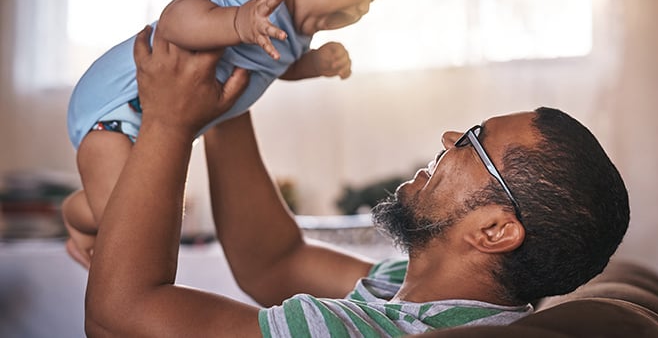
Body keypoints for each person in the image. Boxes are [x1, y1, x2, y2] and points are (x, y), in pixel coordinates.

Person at [85, 27, 630, 337]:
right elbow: (274, 261)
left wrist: (167, 120)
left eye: (473, 141)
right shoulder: (429, 299)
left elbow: (117, 314)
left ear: (493, 230)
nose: (447, 139)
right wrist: (228, 99)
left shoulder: (369, 333)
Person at [62, 0, 405, 267]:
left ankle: (89, 211)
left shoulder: (297, 36)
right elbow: (174, 20)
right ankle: (76, 213)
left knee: (151, 220)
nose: (364, 8)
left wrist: (314, 65)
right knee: (128, 225)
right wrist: (239, 20)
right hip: (116, 110)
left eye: (372, 0)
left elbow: (275, 66)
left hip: (151, 125)